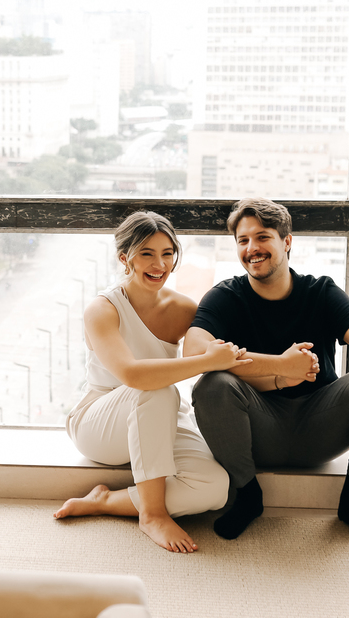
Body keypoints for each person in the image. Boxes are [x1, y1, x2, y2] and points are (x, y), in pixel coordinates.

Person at [184, 198, 349, 550]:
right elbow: (193, 351)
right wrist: (279, 366)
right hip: (256, 429)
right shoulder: (225, 296)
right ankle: (247, 496)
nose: (251, 248)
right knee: (212, 384)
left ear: (287, 242)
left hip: (321, 425)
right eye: (243, 240)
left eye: (262, 237)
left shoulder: (320, 291)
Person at [54, 210, 253, 553]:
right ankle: (152, 514)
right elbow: (132, 375)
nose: (159, 264)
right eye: (147, 253)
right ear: (125, 258)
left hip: (159, 414)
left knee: (214, 487)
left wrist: (283, 364)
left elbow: (230, 350)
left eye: (167, 253)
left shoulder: (183, 309)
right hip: (100, 424)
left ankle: (106, 501)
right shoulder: (102, 309)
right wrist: (206, 361)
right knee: (156, 388)